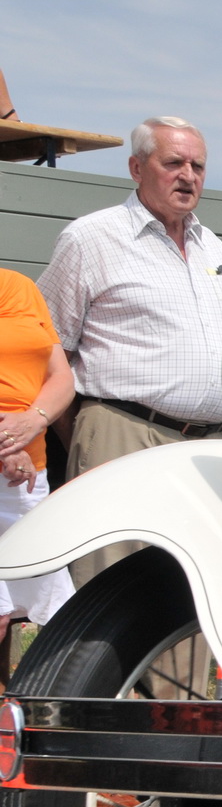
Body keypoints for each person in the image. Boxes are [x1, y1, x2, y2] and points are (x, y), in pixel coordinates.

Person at [36, 116, 222, 586]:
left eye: (197, 166)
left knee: (192, 592)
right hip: (124, 436)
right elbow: (49, 350)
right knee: (113, 591)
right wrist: (85, 434)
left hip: (208, 449)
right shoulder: (91, 238)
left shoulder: (213, 247)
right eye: (173, 163)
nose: (188, 176)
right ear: (136, 167)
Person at [0, 267, 75, 653]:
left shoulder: (20, 287)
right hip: (13, 460)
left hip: (27, 476)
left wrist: (34, 420)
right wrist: (7, 447)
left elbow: (61, 376)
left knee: (45, 611)